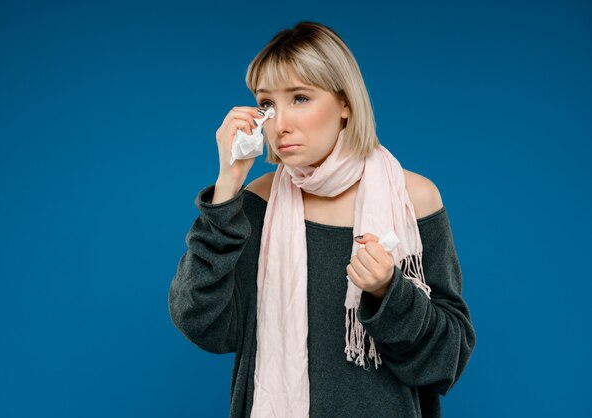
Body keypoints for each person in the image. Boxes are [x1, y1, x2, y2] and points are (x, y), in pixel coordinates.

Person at [168, 21, 476, 418]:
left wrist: (389, 291)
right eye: (268, 104)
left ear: (345, 103)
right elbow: (202, 322)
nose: (279, 125)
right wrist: (227, 185)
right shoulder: (255, 202)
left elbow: (447, 361)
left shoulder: (412, 199)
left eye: (300, 98)